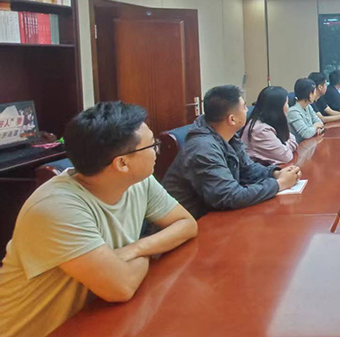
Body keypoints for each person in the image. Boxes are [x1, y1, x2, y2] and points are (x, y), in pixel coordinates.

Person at [0, 102, 197, 336]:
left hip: (99, 319)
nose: (156, 151)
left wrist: (135, 249)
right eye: (152, 145)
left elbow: (186, 224)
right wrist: (149, 251)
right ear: (122, 163)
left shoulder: (138, 181)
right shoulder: (56, 207)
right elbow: (121, 286)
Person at [162, 85, 301, 219]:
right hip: (192, 222)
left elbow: (248, 169)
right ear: (232, 119)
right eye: (244, 107)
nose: (247, 110)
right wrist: (279, 184)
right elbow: (229, 196)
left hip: (214, 215)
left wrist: (275, 173)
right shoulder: (203, 148)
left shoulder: (228, 136)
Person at [241, 86, 298, 165]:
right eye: (286, 104)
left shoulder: (270, 122)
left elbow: (292, 139)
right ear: (277, 108)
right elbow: (286, 156)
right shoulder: (260, 131)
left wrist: (285, 146)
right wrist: (286, 146)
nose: (288, 107)